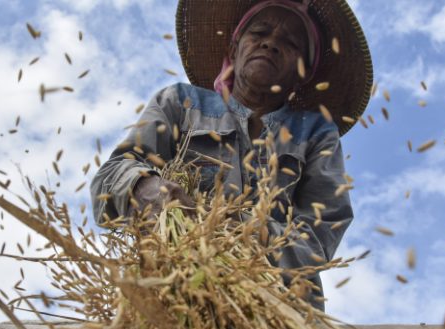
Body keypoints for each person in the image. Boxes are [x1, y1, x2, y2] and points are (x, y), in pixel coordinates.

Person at [91, 0, 372, 311]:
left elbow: (317, 240)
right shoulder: (181, 103)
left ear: (303, 73)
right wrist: (144, 189)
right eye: (260, 32)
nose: (270, 43)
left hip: (279, 312)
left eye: (290, 43)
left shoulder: (316, 133)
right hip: (173, 300)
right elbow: (110, 177)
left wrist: (227, 229)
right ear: (235, 46)